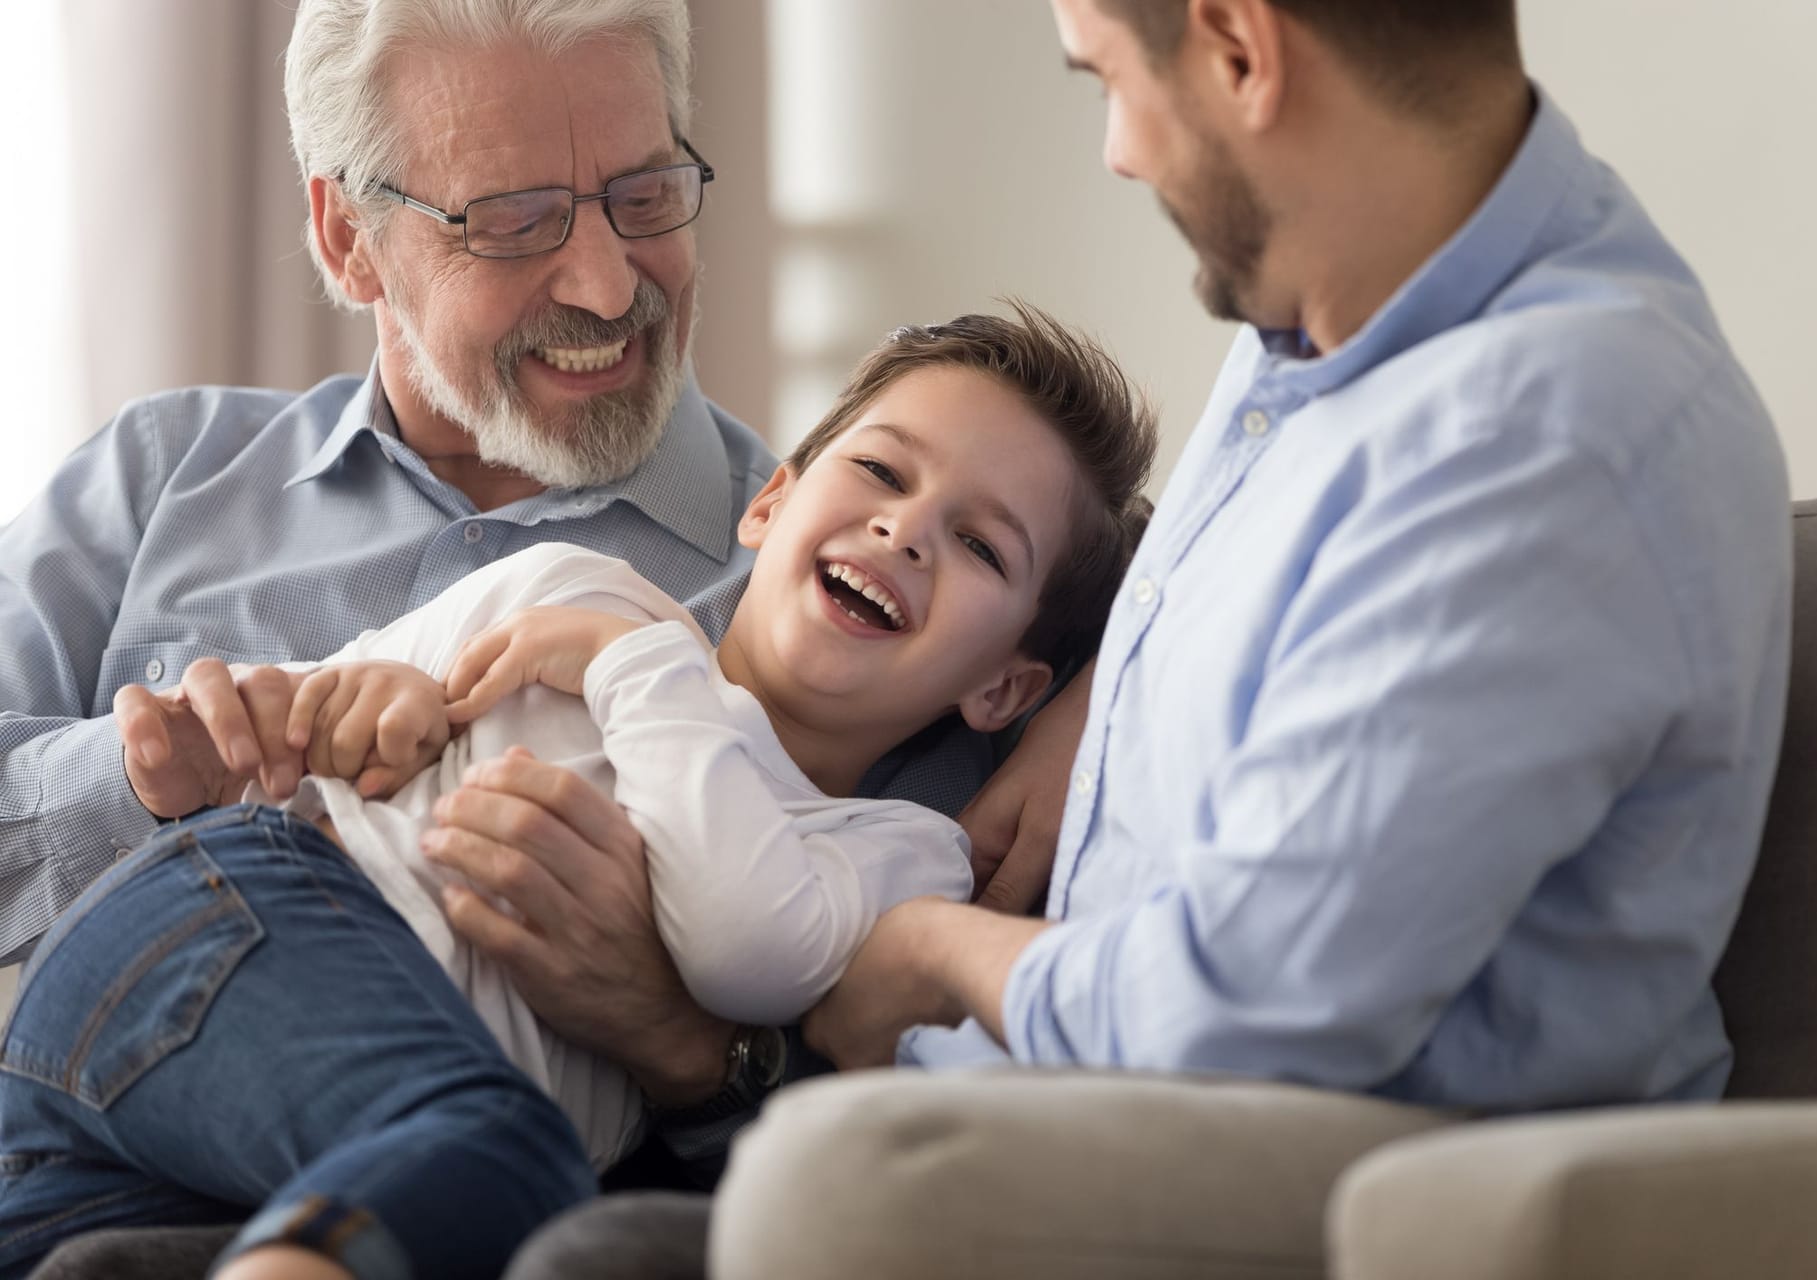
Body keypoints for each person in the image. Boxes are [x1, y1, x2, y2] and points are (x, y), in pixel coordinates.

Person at [504, 0, 1795, 1276]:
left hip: (1319, 1178)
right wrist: (1104, 700)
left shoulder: (1548, 438)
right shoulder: (1326, 329)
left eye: (1107, 79)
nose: (1118, 148)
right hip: (1048, 1126)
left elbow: (1235, 1018)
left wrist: (930, 952)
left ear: (1240, 49)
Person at [0, 0, 1075, 1188]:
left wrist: (684, 1041)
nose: (611, 288)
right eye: (515, 223)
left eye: (647, 195)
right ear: (349, 235)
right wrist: (142, 781)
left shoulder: (839, 620)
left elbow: (897, 1135)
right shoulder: (163, 474)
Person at [0, 308, 1157, 1280]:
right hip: (224, 926)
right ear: (769, 504)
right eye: (882, 470)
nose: (905, 530)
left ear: (1006, 688)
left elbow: (743, 946)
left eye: (982, 546)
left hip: (216, 1134)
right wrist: (341, 715)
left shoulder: (901, 850)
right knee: (504, 1155)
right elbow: (314, 704)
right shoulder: (570, 584)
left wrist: (638, 664)